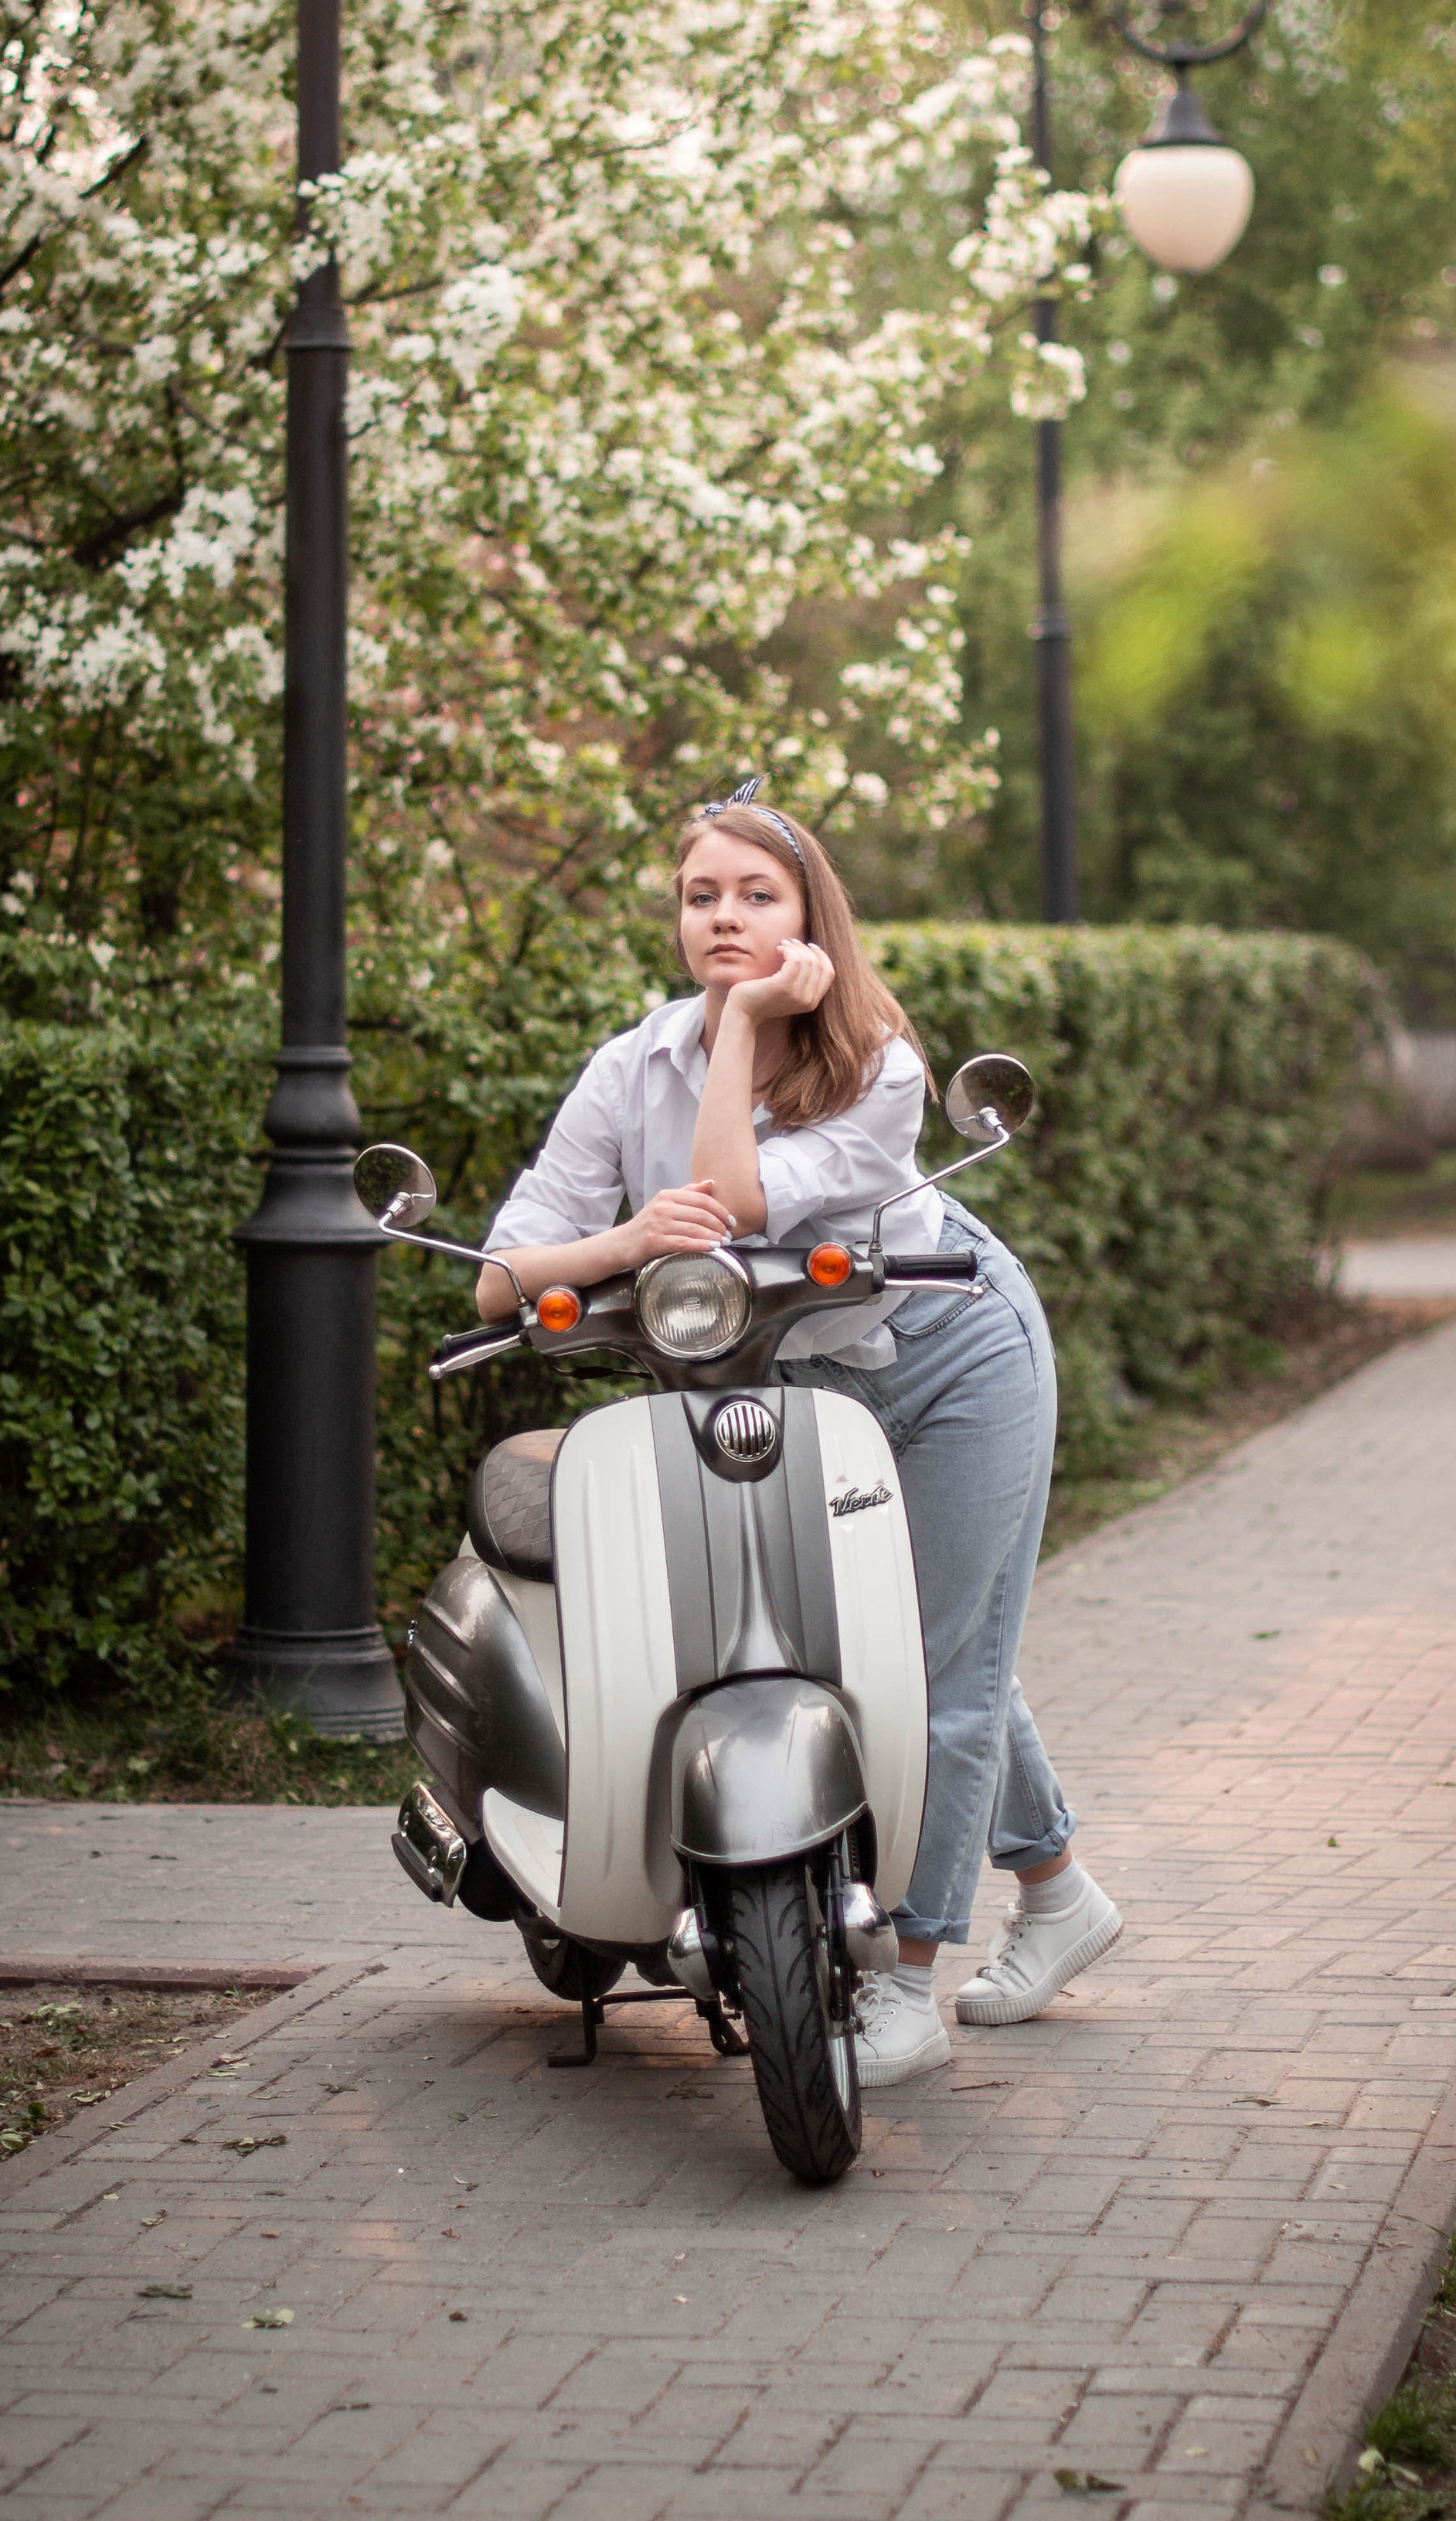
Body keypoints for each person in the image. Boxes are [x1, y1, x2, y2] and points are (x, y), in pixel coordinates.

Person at [473, 785, 1122, 2084]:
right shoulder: (627, 1063)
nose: (724, 916)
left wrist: (744, 1030)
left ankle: (907, 1983)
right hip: (786, 1387)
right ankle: (1058, 1895)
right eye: (701, 895)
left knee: (934, 1669)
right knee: (938, 1648)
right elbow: (501, 1276)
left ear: (810, 915)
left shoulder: (875, 1062)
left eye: (756, 895)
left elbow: (738, 1203)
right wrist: (621, 1242)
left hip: (949, 1359)